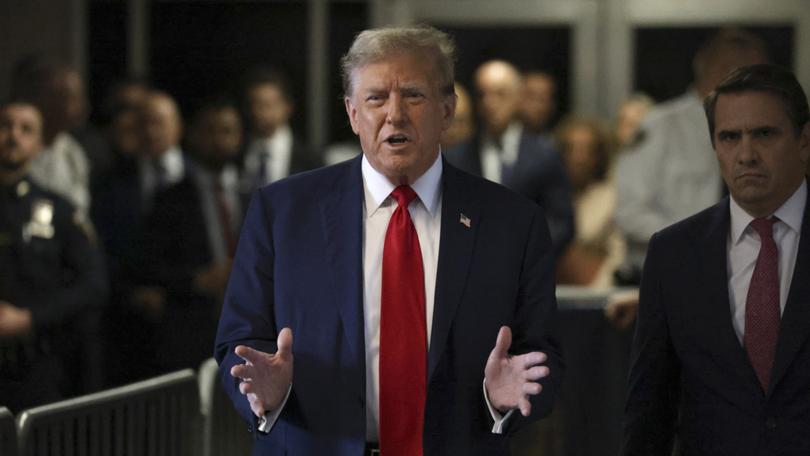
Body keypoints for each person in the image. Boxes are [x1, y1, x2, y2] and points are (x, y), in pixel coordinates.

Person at [215, 26, 563, 455]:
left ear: (448, 110)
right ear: (352, 113)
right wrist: (264, 392)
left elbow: (541, 355)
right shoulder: (282, 211)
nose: (394, 115)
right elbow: (238, 341)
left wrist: (503, 400)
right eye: (376, 98)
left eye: (414, 96)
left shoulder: (513, 222)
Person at [622, 63, 810, 455]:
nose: (746, 154)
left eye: (764, 134)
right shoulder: (673, 253)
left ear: (804, 142)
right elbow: (649, 407)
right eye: (729, 137)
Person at [614, 28, 769, 283]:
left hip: (743, 278)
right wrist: (701, 241)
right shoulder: (660, 125)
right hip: (664, 278)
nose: (747, 79)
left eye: (757, 71)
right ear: (705, 68)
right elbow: (630, 213)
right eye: (733, 66)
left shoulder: (768, 135)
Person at [0, 101, 108, 412]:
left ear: (39, 145)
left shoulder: (59, 210)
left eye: (25, 129)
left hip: (37, 365)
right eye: (5, 125)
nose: (13, 135)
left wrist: (28, 319)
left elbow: (93, 285)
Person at [144, 97, 244, 372]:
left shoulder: (254, 194)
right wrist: (197, 280)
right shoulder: (169, 199)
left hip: (250, 332)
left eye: (227, 131)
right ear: (194, 135)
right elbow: (152, 267)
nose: (218, 140)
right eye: (210, 131)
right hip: (190, 332)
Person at [445, 60, 574, 259]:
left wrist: (526, 255)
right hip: (470, 267)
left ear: (518, 98)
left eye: (500, 94)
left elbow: (561, 222)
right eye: (483, 94)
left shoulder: (544, 155)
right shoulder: (456, 157)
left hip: (528, 270)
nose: (490, 102)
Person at [554, 116, 625, 289]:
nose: (578, 158)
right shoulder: (548, 195)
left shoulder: (611, 198)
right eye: (571, 149)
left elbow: (619, 257)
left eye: (587, 150)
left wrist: (595, 293)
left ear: (599, 156)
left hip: (594, 292)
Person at [239, 67, 322, 194]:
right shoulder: (237, 153)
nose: (260, 112)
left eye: (268, 105)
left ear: (287, 107)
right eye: (254, 104)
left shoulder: (310, 160)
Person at [520, 71, 558, 135]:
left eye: (543, 99)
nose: (538, 106)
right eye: (532, 97)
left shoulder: (555, 141)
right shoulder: (505, 137)